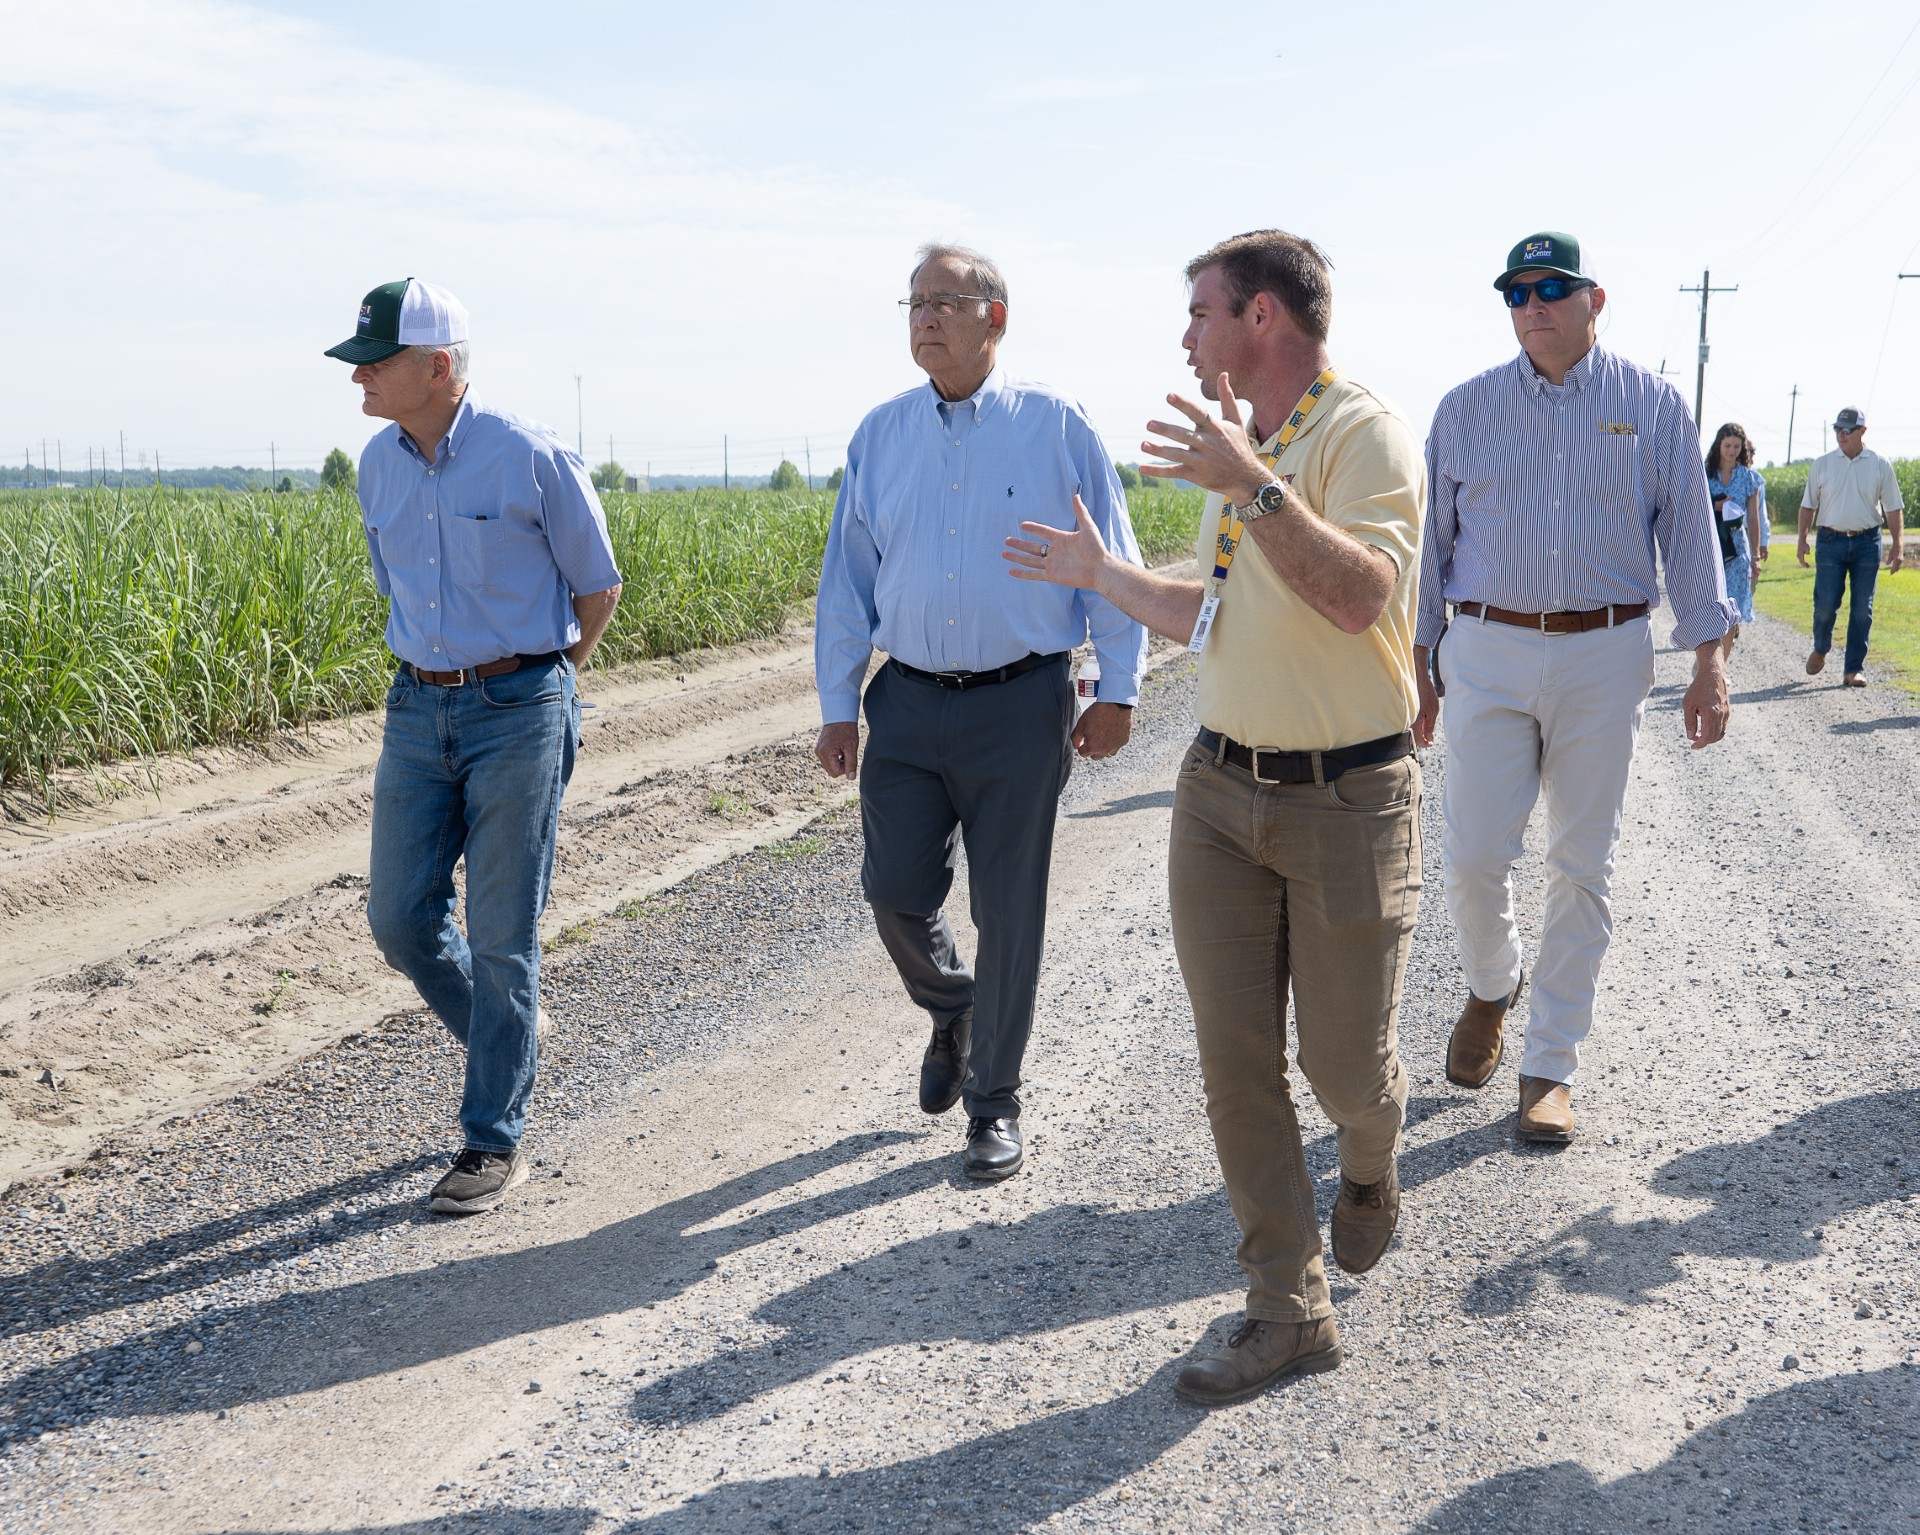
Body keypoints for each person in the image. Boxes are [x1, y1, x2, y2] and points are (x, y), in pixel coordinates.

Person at [1004, 229, 1425, 1405]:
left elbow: (1358, 597)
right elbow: (1222, 611)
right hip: (1220, 791)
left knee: (1344, 1067)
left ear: (1264, 319)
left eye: (1199, 311)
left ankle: (1374, 1157)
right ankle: (1286, 1307)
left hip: (1350, 795)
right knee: (1236, 1063)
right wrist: (1104, 577)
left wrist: (1253, 482)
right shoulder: (1258, 450)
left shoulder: (1359, 434)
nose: (1186, 336)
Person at [813, 244, 1148, 1183]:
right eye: (915, 304)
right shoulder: (881, 434)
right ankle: (956, 1006)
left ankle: (994, 1102)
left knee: (1009, 910)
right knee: (893, 892)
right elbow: (848, 581)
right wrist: (839, 703)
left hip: (1020, 703)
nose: (925, 319)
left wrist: (1117, 687)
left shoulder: (1053, 426)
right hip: (908, 704)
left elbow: (1109, 557)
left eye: (945, 303)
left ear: (996, 316)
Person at [1416, 231, 1732, 1146]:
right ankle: (1490, 984)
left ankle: (1549, 1063)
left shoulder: (1653, 404)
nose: (1532, 305)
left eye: (1551, 287)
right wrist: (1419, 661)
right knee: (1475, 853)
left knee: (1581, 864)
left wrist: (1708, 656)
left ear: (1596, 299)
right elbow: (1433, 545)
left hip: (1604, 651)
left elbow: (1688, 537)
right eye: (1515, 292)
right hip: (1486, 649)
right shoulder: (1465, 408)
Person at [324, 278, 623, 1215]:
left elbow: (598, 585)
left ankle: (492, 1138)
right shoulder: (377, 462)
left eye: (375, 362)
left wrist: (547, 682)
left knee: (502, 932)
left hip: (521, 705)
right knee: (399, 919)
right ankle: (509, 1040)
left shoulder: (529, 455)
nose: (360, 377)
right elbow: (394, 587)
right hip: (417, 708)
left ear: (437, 366)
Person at [1797, 407, 1906, 687]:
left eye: (1847, 430)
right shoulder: (1822, 464)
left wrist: (1898, 544)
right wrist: (1801, 540)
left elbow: (1893, 507)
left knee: (1862, 609)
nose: (1841, 435)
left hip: (1867, 541)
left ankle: (1853, 669)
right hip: (1830, 541)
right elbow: (1808, 504)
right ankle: (1821, 648)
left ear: (1862, 432)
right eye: (1837, 429)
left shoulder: (1880, 464)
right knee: (1825, 605)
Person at [1706, 422, 1765, 659]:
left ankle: (1719, 668)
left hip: (1738, 550)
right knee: (1711, 611)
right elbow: (1690, 509)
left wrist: (1756, 556)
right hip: (1710, 547)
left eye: (1736, 446)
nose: (1731, 451)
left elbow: (1753, 518)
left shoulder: (1749, 478)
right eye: (1727, 445)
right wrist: (1715, 505)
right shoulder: (1705, 474)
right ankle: (1705, 663)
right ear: (1719, 445)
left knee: (1731, 613)